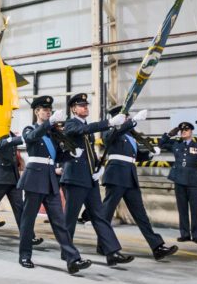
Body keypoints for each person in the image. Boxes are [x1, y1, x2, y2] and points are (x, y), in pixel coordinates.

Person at [17, 95, 92, 274]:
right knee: (28, 221)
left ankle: (73, 259)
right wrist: (49, 122)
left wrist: (71, 155)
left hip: (50, 179)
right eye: (45, 110)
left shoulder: (52, 133)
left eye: (50, 111)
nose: (48, 112)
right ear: (37, 112)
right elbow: (31, 138)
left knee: (60, 222)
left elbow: (57, 156)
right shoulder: (31, 128)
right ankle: (25, 255)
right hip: (34, 179)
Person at [61, 93, 134, 266]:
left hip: (89, 179)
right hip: (75, 179)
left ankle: (112, 252)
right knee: (70, 218)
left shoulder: (87, 128)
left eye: (86, 105)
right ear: (73, 109)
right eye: (81, 105)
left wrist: (98, 167)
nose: (85, 107)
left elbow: (90, 152)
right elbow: (81, 131)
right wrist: (108, 123)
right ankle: (67, 252)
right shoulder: (71, 124)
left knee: (100, 217)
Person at [101, 105, 178, 261]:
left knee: (141, 215)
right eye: (126, 117)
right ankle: (103, 245)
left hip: (130, 176)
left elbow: (135, 156)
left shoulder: (130, 136)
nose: (129, 118)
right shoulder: (111, 131)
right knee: (106, 213)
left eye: (129, 116)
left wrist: (149, 153)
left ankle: (157, 247)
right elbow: (108, 139)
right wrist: (133, 121)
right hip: (116, 175)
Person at [0, 132, 43, 246]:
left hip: (13, 176)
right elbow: (0, 144)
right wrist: (20, 138)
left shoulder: (11, 133)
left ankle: (28, 236)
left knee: (20, 207)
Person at [159, 121, 197, 244]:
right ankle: (185, 234)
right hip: (179, 180)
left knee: (195, 209)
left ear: (191, 131)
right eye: (182, 130)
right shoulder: (176, 144)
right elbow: (161, 144)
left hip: (193, 182)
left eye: (186, 130)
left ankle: (196, 235)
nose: (183, 132)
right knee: (182, 209)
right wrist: (169, 134)